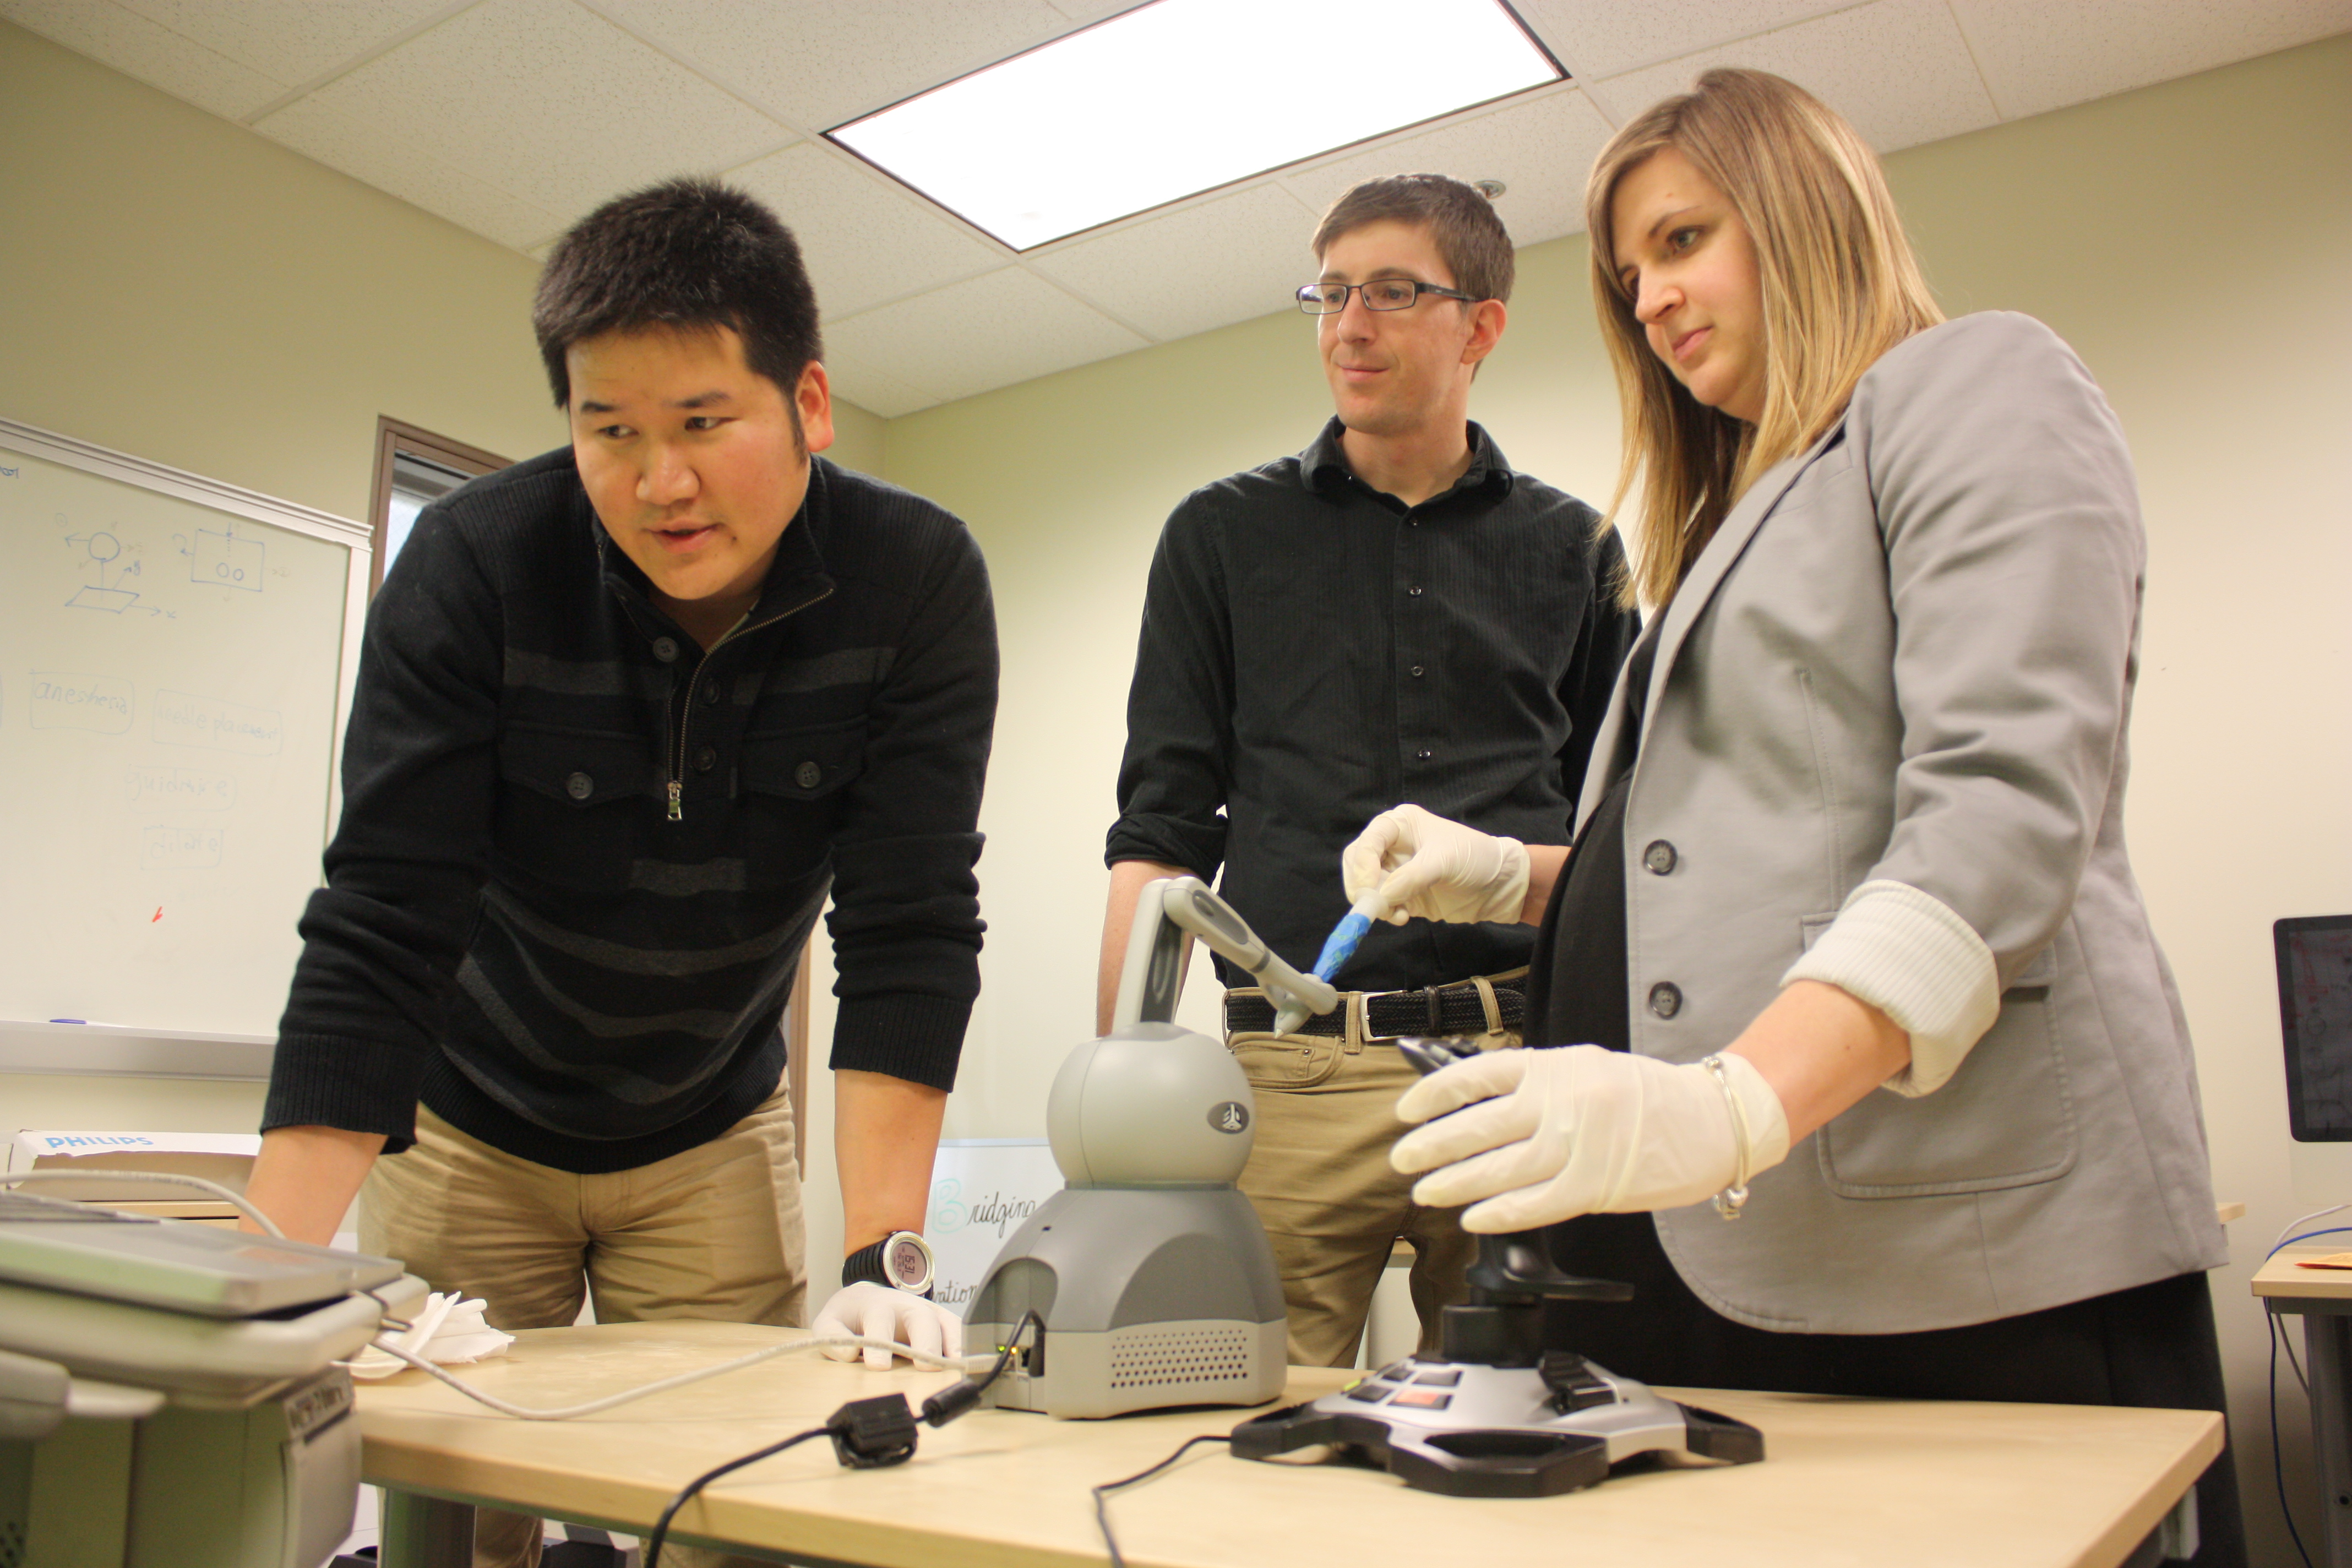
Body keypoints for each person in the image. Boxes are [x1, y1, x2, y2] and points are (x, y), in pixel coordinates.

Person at [1344, 69, 2243, 1562]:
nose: (1654, 300)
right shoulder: (1723, 525)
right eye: (1633, 279)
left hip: (1958, 1258)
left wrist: (1730, 1102)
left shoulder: (1976, 383)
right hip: (1734, 1250)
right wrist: (1514, 877)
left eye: (1687, 241)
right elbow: (1740, 859)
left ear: (1808, 212)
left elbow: (2004, 810)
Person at [244, 179, 995, 1565]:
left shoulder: (917, 581)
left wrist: (882, 1260)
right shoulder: (476, 562)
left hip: (710, 1130)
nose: (661, 480)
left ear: (809, 405)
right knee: (451, 1510)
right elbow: (381, 921)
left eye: (704, 422)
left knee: (732, 1503)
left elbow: (907, 926)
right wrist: (255, 1288)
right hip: (468, 1120)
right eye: (612, 430)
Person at [1102, 175, 1639, 1367]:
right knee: (1236, 1424)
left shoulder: (1580, 550)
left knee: (1522, 1429)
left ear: (1481, 324)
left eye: (1393, 292)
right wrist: (1120, 1088)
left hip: (1514, 1059)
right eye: (1331, 292)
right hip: (1294, 1068)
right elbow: (1160, 827)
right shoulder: (1219, 536)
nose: (1349, 325)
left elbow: (1629, 834)